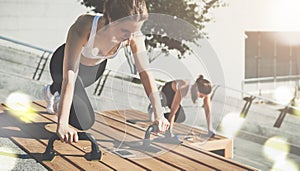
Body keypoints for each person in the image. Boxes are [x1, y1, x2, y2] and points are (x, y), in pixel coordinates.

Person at [42, 0, 169, 144]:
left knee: (80, 118)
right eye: (125, 31)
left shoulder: (133, 36)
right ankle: (54, 90)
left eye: (134, 31)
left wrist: (159, 115)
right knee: (83, 121)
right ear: (110, 19)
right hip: (62, 66)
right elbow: (70, 76)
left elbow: (146, 74)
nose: (130, 37)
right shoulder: (84, 26)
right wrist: (62, 124)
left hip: (92, 72)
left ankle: (54, 92)